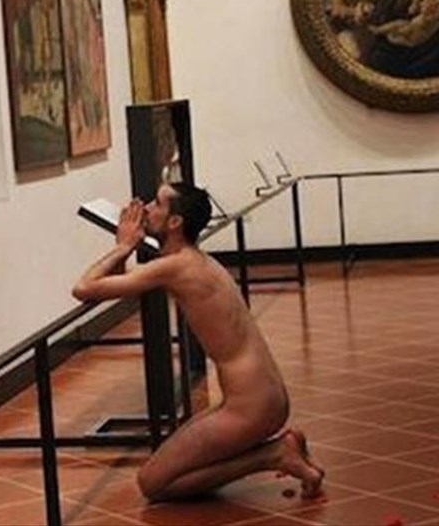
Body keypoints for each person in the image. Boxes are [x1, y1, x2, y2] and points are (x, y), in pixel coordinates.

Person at [72, 183, 324, 501]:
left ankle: (273, 455)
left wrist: (124, 246)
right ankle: (277, 451)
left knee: (152, 483)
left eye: (157, 203)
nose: (146, 208)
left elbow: (84, 288)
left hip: (252, 407)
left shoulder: (176, 266)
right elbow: (115, 284)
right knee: (172, 465)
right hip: (264, 398)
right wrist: (124, 246)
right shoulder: (191, 260)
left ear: (175, 222)